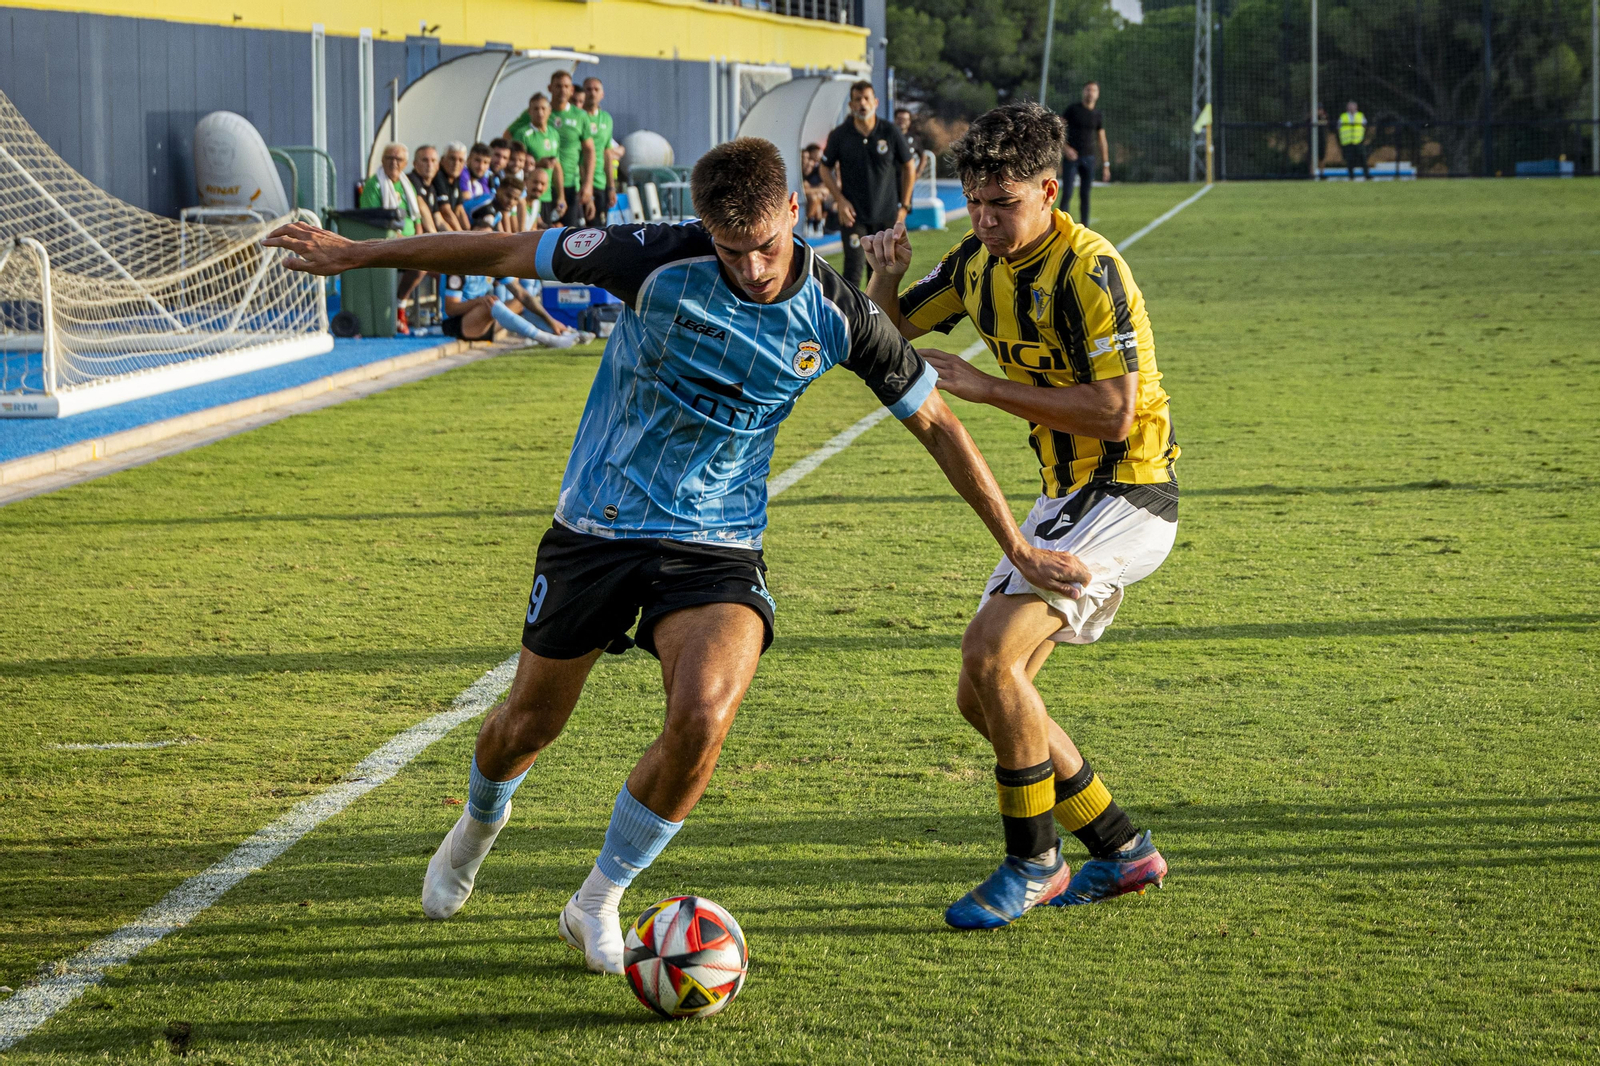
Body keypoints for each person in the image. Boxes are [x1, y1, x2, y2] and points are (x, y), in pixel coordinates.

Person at [263, 136, 1088, 974]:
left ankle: (597, 900)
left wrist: (1017, 546)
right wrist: (355, 254)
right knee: (526, 726)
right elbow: (511, 247)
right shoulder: (651, 257)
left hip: (716, 545)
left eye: (767, 245)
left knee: (702, 716)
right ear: (705, 230)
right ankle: (480, 820)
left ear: (795, 214)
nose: (756, 268)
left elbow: (938, 425)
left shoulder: (840, 316)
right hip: (595, 527)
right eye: (734, 251)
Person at [862, 102, 1176, 930]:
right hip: (1064, 496)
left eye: (1003, 203)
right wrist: (885, 274)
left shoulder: (1090, 268)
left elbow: (1115, 412)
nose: (987, 221)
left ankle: (1034, 860)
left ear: (1047, 189)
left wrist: (982, 385)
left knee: (990, 655)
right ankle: (1121, 848)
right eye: (975, 204)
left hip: (1128, 489)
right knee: (985, 693)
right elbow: (889, 337)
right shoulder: (975, 262)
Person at [818, 81, 916, 288]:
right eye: (857, 99)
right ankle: (851, 320)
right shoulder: (840, 135)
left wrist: (904, 207)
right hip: (854, 216)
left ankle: (882, 320)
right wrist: (840, 201)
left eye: (866, 98)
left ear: (875, 102)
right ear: (851, 105)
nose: (862, 103)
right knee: (852, 273)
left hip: (886, 215)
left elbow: (909, 166)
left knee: (883, 274)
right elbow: (824, 168)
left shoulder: (890, 132)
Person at [359, 143, 427, 332]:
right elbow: (372, 219)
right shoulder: (374, 185)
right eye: (389, 158)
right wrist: (399, 238)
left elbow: (417, 218)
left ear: (405, 163)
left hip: (409, 241)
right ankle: (397, 311)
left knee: (426, 263)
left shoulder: (407, 184)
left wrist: (419, 237)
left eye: (398, 159)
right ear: (382, 160)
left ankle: (399, 305)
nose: (393, 163)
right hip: (385, 242)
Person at [506, 94, 567, 226]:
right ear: (529, 112)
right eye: (536, 109)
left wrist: (561, 195)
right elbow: (516, 165)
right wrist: (539, 164)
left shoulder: (554, 133)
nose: (540, 112)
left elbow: (557, 166)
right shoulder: (523, 134)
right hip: (529, 194)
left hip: (547, 194)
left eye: (543, 109)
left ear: (549, 111)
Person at [549, 70, 595, 225]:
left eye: (566, 86)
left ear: (571, 90)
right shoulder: (540, 112)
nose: (562, 90)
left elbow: (589, 151)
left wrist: (588, 185)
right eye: (558, 86)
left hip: (571, 184)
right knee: (543, 234)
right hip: (545, 186)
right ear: (550, 88)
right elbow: (510, 136)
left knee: (571, 236)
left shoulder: (580, 116)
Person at [1061, 81, 1110, 225]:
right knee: (1067, 192)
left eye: (1094, 90)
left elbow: (1102, 139)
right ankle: (1062, 225)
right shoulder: (1073, 110)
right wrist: (1066, 148)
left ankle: (1085, 226)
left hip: (1089, 158)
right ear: (1083, 91)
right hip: (1072, 158)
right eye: (1088, 89)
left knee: (1085, 194)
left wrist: (1106, 164)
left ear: (1098, 94)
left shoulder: (1097, 115)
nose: (1091, 93)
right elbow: (1057, 129)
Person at [581, 76, 621, 216]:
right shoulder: (579, 117)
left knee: (599, 231)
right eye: (588, 89)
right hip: (580, 183)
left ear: (602, 94)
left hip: (600, 183)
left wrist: (611, 187)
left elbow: (607, 153)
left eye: (596, 89)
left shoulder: (606, 118)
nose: (592, 93)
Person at [409, 145, 458, 232]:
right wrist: (434, 237)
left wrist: (455, 237)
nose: (429, 165)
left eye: (433, 161)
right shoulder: (411, 179)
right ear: (415, 164)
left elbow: (439, 220)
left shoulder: (431, 188)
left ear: (438, 166)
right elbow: (422, 209)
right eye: (425, 160)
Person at [800, 143, 835, 236]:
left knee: (816, 197)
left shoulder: (817, 170)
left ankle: (815, 224)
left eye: (807, 158)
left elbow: (825, 188)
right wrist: (818, 190)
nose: (805, 161)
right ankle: (813, 223)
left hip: (820, 197)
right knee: (815, 197)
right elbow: (803, 189)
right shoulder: (799, 173)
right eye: (803, 157)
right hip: (806, 198)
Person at [435, 143, 472, 231]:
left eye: (461, 160)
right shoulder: (438, 176)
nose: (456, 164)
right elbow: (445, 211)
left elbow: (459, 209)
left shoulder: (455, 177)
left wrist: (469, 231)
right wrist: (461, 235)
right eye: (452, 159)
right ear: (443, 160)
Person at [459, 143, 497, 216]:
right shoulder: (462, 173)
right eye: (477, 160)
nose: (481, 167)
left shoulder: (478, 186)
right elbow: (466, 200)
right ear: (468, 159)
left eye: (485, 162)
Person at [1339, 100, 1370, 180]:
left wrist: (1364, 138)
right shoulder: (1343, 116)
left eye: (1353, 106)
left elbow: (1365, 126)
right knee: (1350, 160)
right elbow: (1338, 127)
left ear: (1356, 107)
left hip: (1358, 141)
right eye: (1350, 106)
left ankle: (1367, 175)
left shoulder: (1360, 115)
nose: (1351, 108)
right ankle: (1351, 176)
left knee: (1363, 159)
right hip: (1348, 142)